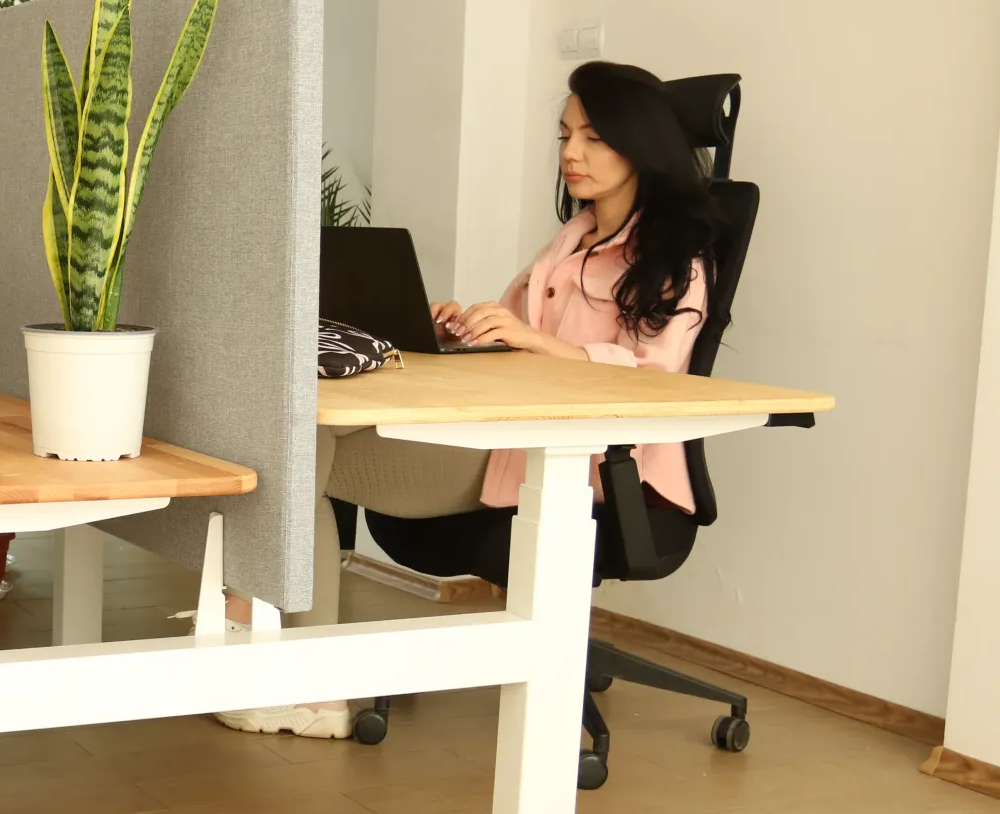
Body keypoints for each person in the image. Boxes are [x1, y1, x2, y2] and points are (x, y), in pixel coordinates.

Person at [216, 60, 723, 739]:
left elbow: (652, 382)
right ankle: (270, 636)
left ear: (641, 147)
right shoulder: (572, 240)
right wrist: (464, 327)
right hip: (504, 439)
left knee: (308, 441)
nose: (571, 153)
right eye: (564, 135)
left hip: (583, 471)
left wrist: (535, 344)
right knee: (305, 425)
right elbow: (515, 336)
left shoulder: (675, 262)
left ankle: (307, 682)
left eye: (594, 138)